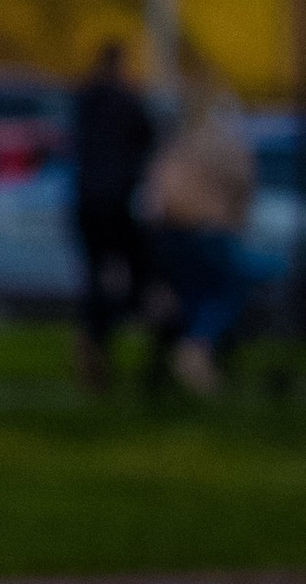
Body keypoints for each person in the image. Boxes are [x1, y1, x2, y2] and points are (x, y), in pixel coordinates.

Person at [141, 64, 258, 398]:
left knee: (193, 293)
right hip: (211, 231)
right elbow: (243, 186)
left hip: (173, 234)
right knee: (228, 291)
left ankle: (191, 351)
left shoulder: (177, 142)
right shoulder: (225, 142)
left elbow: (156, 192)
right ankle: (197, 347)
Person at [67, 37, 156, 390]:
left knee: (94, 278)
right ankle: (97, 336)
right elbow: (149, 142)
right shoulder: (127, 102)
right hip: (117, 203)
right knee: (138, 277)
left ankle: (92, 339)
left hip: (85, 202)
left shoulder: (84, 99)